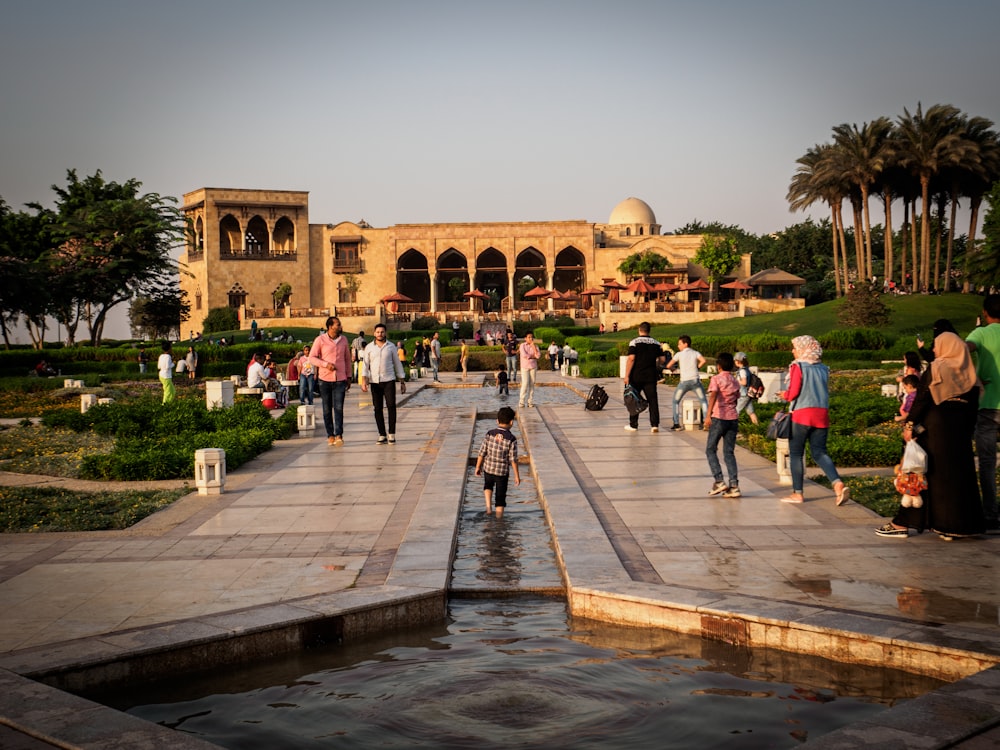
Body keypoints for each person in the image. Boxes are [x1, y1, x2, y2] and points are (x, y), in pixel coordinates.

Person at [877, 332, 984, 540]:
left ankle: (903, 521)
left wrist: (909, 425)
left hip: (935, 430)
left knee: (922, 475)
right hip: (959, 434)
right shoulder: (969, 373)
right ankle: (958, 526)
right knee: (958, 478)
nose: (934, 350)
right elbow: (973, 409)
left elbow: (922, 399)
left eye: (936, 345)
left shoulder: (937, 368)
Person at [778, 335, 849, 506]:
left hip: (802, 414)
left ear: (803, 349)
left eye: (795, 348)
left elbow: (794, 392)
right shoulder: (824, 368)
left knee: (796, 454)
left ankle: (798, 493)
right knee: (819, 452)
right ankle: (837, 484)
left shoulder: (798, 366)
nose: (792, 351)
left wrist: (784, 395)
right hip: (822, 415)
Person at [966, 293, 1000, 532]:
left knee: (987, 463)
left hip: (988, 404)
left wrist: (973, 379)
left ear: (985, 313)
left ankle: (990, 513)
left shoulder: (981, 333)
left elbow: (963, 349)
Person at [360, 323, 407, 444]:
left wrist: (402, 381)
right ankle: (382, 434)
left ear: (385, 333)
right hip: (375, 381)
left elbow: (397, 364)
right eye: (377, 332)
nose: (380, 334)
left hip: (389, 380)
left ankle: (391, 433)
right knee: (377, 408)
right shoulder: (369, 348)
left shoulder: (391, 347)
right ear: (374, 333)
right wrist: (364, 381)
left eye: (382, 332)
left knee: (391, 406)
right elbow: (365, 365)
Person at [309, 316, 352, 446]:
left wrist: (349, 377)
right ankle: (330, 435)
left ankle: (339, 434)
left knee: (339, 408)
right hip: (325, 379)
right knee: (327, 408)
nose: (340, 326)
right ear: (330, 327)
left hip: (340, 379)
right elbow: (312, 358)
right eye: (337, 324)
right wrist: (325, 364)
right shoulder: (320, 340)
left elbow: (347, 359)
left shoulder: (344, 340)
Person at [705, 352, 742, 498]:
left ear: (718, 366)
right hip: (733, 419)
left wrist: (708, 415)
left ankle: (719, 481)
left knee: (710, 449)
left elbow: (713, 395)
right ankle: (734, 485)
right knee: (729, 452)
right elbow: (737, 398)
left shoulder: (716, 379)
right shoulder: (735, 380)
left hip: (719, 418)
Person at [474, 406, 521, 519]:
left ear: (497, 421)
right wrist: (517, 475)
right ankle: (499, 520)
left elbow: (482, 452)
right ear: (511, 422)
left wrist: (477, 467)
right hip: (502, 472)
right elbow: (513, 459)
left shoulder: (490, 434)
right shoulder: (511, 439)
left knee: (488, 486)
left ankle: (488, 508)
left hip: (488, 468)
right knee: (500, 496)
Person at [623, 322, 663, 433]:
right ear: (649, 331)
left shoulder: (634, 342)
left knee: (633, 399)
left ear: (639, 330)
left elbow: (631, 358)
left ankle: (633, 425)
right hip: (650, 376)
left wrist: (626, 375)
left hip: (636, 376)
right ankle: (654, 425)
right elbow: (663, 359)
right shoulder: (656, 343)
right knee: (653, 400)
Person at [665, 335, 707, 431]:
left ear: (685, 344)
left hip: (684, 381)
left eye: (680, 344)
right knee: (703, 400)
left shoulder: (679, 354)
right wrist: (698, 367)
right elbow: (703, 360)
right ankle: (706, 422)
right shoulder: (695, 353)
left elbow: (668, 365)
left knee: (675, 401)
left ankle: (676, 423)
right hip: (695, 381)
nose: (678, 346)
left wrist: (672, 369)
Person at [733, 352, 759, 425]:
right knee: (750, 412)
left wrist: (736, 380)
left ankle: (732, 427)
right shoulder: (746, 369)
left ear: (738, 361)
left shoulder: (742, 371)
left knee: (736, 411)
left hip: (743, 395)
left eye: (735, 361)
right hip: (748, 394)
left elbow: (744, 382)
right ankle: (756, 426)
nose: (734, 362)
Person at [517, 332, 541, 408]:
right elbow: (524, 355)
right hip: (525, 367)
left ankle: (530, 401)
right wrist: (533, 356)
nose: (531, 339)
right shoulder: (522, 345)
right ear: (525, 338)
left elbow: (538, 356)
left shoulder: (535, 346)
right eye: (529, 337)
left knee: (532, 384)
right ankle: (521, 401)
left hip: (533, 367)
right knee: (525, 383)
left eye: (531, 337)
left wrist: (533, 347)